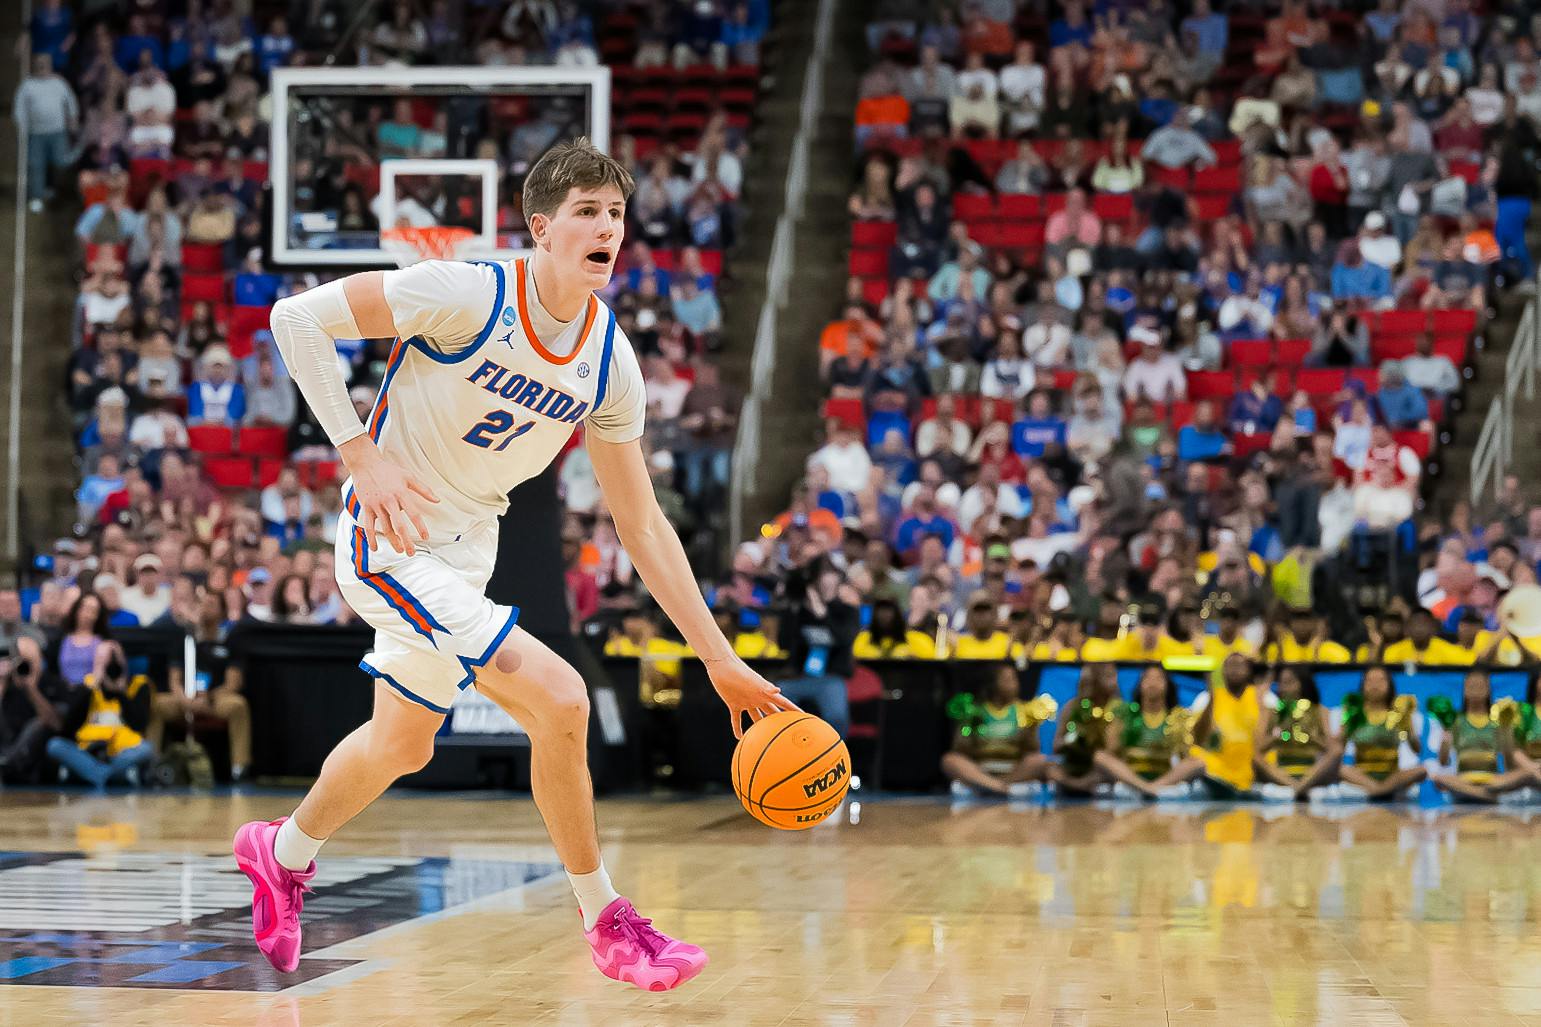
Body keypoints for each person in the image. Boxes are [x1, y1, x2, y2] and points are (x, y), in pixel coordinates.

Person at [238, 140, 790, 987]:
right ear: (541, 226)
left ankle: (279, 852)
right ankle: (607, 920)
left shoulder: (610, 360)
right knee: (561, 699)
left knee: (402, 743)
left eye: (616, 213)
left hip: (468, 547)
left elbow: (641, 524)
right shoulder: (468, 290)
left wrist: (718, 657)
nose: (608, 227)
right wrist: (359, 454)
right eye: (587, 212)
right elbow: (294, 317)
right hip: (386, 534)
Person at [153, 587, 254, 781]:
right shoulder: (184, 639)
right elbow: (173, 678)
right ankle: (152, 764)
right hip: (184, 698)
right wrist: (184, 699)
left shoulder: (230, 640)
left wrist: (208, 696)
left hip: (215, 699)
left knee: (238, 705)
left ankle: (239, 767)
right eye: (202, 603)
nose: (205, 608)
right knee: (157, 704)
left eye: (211, 604)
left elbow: (233, 682)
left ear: (222, 611)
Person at [44, 639, 155, 789]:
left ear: (124, 660)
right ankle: (111, 776)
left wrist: (120, 693)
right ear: (96, 662)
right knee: (55, 745)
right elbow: (68, 729)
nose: (110, 665)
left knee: (146, 749)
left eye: (114, 659)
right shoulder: (87, 686)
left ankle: (95, 774)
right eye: (103, 660)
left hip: (122, 752)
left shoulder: (138, 684)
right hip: (89, 751)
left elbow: (139, 725)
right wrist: (90, 688)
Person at [942, 664, 1052, 798]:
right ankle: (997, 786)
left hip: (1014, 771)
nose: (1014, 684)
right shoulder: (976, 710)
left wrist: (1029, 731)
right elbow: (959, 748)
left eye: (1015, 679)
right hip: (980, 768)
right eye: (1007, 680)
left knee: (1041, 760)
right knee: (950, 760)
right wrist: (968, 731)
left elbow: (1034, 750)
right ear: (993, 684)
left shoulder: (1025, 710)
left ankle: (991, 786)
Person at [1429, 670, 1530, 804]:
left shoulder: (1497, 721)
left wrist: (1507, 732)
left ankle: (1476, 794)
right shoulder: (1456, 720)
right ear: (1464, 690)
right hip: (1464, 779)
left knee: (1527, 774)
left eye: (1480, 686)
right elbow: (1442, 761)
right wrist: (1445, 741)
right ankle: (1487, 797)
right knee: (1439, 779)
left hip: (1493, 781)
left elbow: (1509, 766)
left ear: (1488, 690)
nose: (1476, 690)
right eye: (1471, 686)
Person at [13, 53, 78, 212]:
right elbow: (19, 109)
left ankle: (52, 188)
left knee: (60, 161)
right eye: (39, 64)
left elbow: (71, 101)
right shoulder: (27, 85)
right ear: (35, 65)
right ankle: (36, 196)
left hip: (58, 132)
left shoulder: (59, 83)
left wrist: (73, 118)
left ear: (50, 65)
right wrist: (21, 127)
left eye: (45, 64)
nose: (42, 67)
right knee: (36, 165)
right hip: (36, 133)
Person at [1255, 666, 1336, 794]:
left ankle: (1302, 786)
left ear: (1302, 683)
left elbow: (1331, 750)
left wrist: (1310, 737)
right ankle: (1295, 787)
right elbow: (1259, 749)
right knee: (1256, 759)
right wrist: (1280, 734)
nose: (1283, 688)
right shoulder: (1271, 712)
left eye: (1289, 682)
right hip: (1282, 772)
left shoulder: (1319, 710)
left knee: (1336, 753)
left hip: (1312, 771)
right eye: (1281, 683)